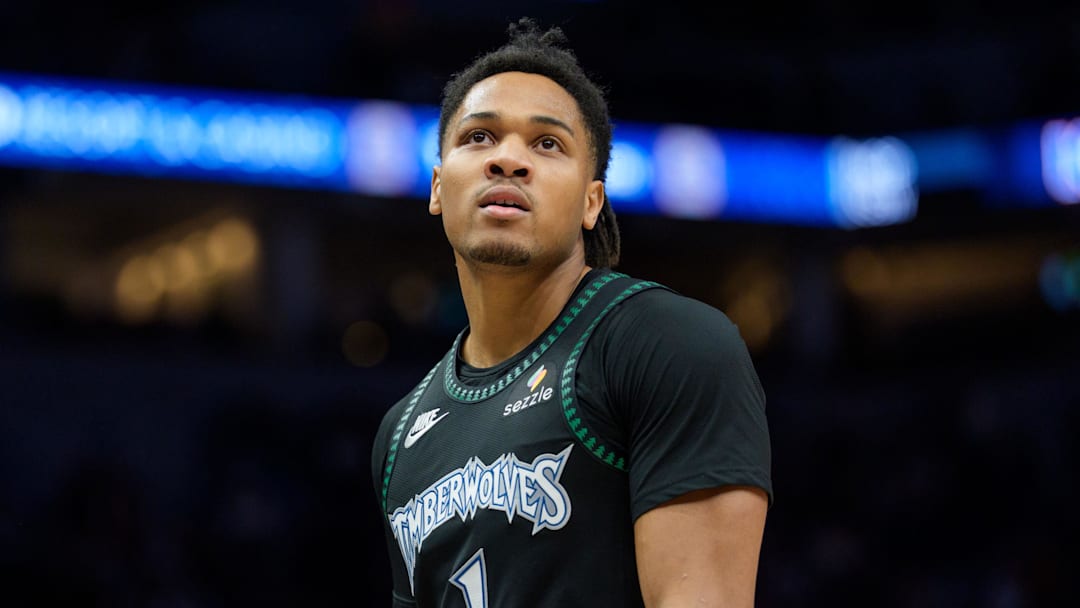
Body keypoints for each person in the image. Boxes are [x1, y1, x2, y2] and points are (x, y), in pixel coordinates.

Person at [371, 17, 772, 607]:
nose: (508, 160)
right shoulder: (400, 432)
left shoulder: (667, 343)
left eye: (547, 143)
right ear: (437, 187)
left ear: (592, 202)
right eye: (478, 137)